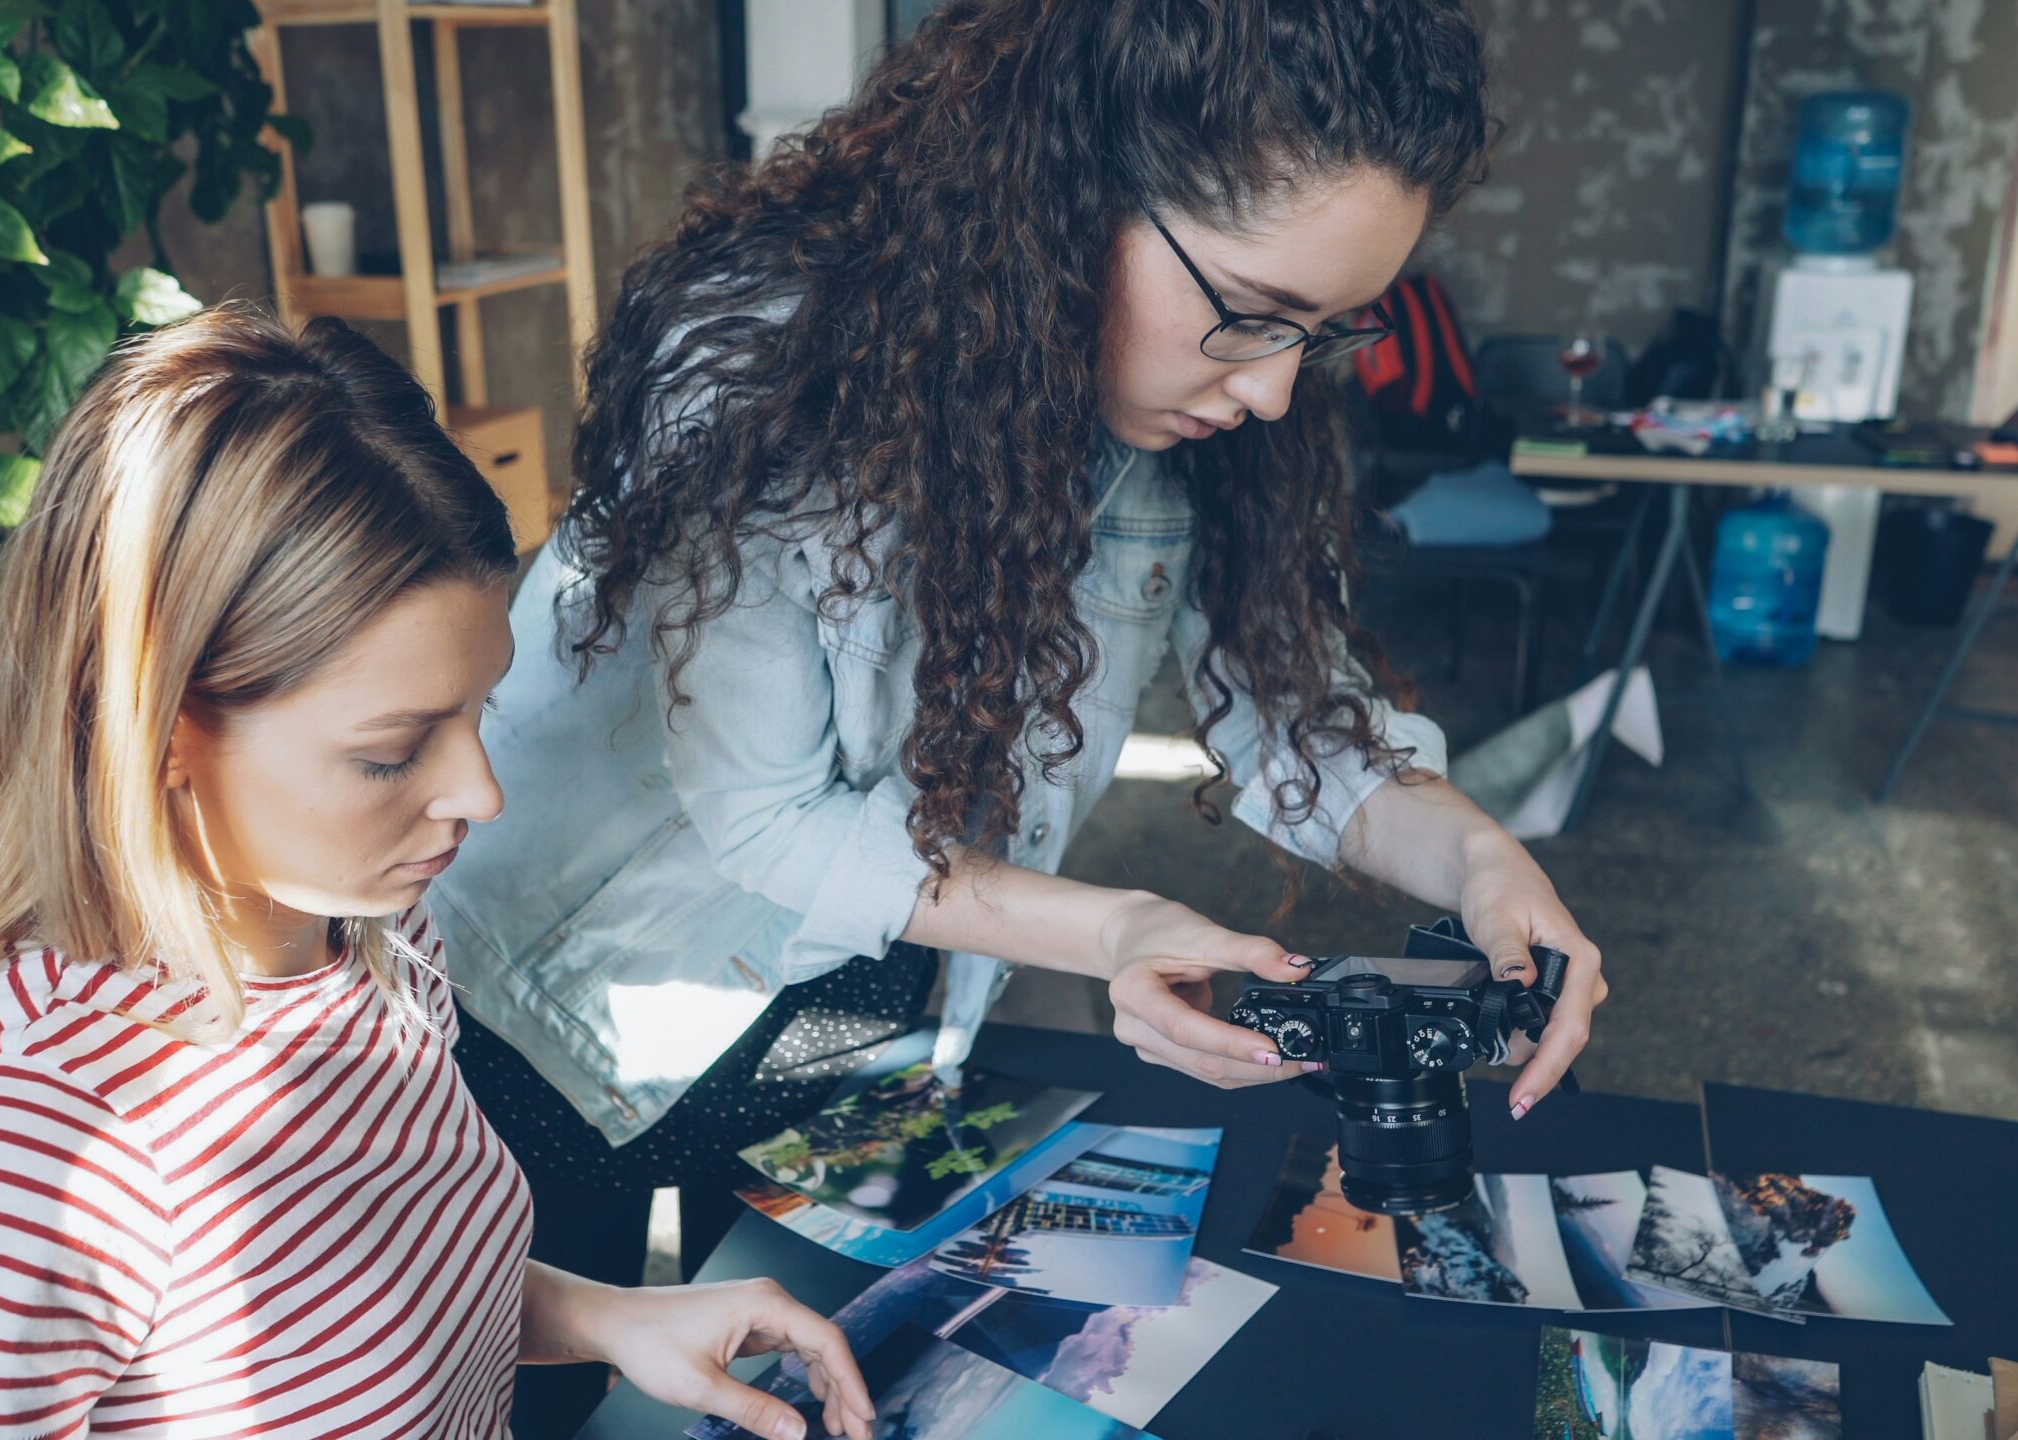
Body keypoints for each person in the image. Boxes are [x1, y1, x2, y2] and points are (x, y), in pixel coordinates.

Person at [435, 2, 1609, 1427]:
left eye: (1325, 327)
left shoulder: (1211, 416)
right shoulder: (759, 351)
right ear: (1069, 192)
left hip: (856, 1002)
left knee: (836, 1385)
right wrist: (1111, 929)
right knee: (535, 1397)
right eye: (1248, 312)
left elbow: (1298, 720)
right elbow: (771, 816)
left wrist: (1480, 858)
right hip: (563, 1011)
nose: (1276, 386)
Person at [0, 311, 871, 1440]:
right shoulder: (28, 1151)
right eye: (390, 750)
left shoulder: (364, 936)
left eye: (476, 709)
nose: (479, 794)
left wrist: (612, 1319)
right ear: (157, 733)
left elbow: (358, 1308)